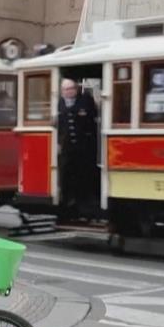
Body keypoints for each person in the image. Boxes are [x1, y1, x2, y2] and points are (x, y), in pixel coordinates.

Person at [57, 78, 99, 220]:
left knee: (84, 176)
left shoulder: (86, 100)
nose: (68, 92)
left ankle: (86, 207)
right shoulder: (59, 103)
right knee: (66, 177)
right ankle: (67, 205)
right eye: (65, 89)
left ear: (76, 89)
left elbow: (92, 119)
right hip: (67, 147)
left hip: (84, 147)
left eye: (71, 89)